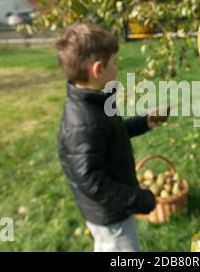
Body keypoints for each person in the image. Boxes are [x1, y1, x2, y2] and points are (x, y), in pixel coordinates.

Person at [56, 23, 167, 252]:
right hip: (110, 216)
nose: (116, 69)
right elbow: (93, 182)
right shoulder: (84, 121)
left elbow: (110, 136)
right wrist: (139, 199)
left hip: (111, 209)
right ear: (98, 70)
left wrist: (143, 122)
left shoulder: (95, 102)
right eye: (114, 63)